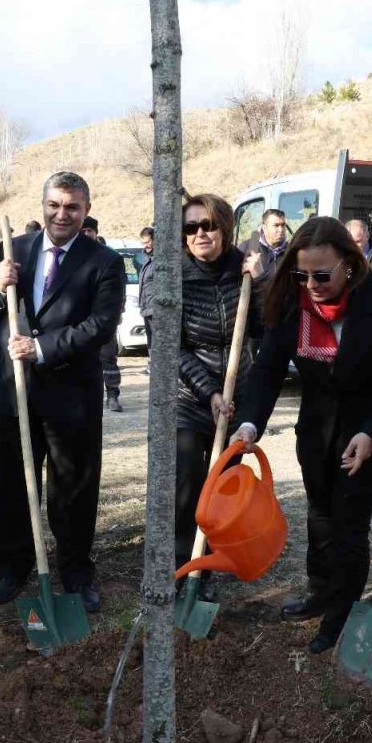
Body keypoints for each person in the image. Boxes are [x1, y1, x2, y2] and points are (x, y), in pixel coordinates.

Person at [233, 217, 372, 654]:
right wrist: (250, 423)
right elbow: (267, 370)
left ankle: (340, 616)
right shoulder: (293, 303)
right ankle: (320, 591)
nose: (312, 284)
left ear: (349, 265)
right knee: (319, 515)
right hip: (317, 434)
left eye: (322, 275)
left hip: (368, 435)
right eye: (302, 274)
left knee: (349, 525)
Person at [0, 171, 124, 612]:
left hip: (71, 395)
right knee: (11, 485)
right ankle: (13, 568)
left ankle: (76, 570)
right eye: (55, 205)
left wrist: (41, 348)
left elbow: (101, 325)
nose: (62, 214)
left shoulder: (103, 261)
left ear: (85, 210)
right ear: (43, 205)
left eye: (73, 207)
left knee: (73, 487)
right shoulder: (13, 252)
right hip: (15, 392)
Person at [139, 194, 261, 595]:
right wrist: (207, 391)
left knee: (222, 488)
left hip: (235, 394)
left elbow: (263, 328)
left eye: (207, 225)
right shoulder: (169, 277)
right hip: (188, 399)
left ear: (225, 227)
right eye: (190, 227)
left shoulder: (242, 269)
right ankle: (183, 567)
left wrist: (260, 282)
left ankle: (208, 567)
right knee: (188, 484)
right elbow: (170, 347)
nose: (200, 234)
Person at [82, 216, 124, 412]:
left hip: (105, 319)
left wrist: (116, 313)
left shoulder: (109, 257)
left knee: (108, 357)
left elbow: (119, 289)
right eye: (82, 231)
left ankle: (113, 395)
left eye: (89, 230)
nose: (85, 234)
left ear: (95, 232)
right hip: (80, 321)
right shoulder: (72, 257)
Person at [238, 208, 288, 284]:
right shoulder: (247, 248)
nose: (281, 230)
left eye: (283, 225)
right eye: (276, 225)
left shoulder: (291, 251)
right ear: (264, 227)